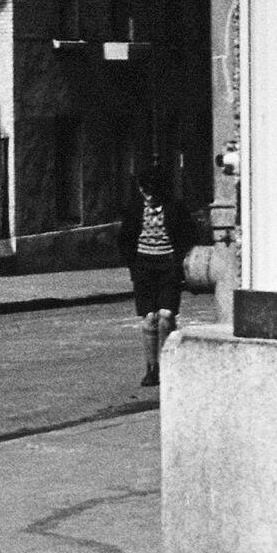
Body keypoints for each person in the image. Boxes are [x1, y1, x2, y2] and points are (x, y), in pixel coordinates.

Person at [121, 160, 197, 389]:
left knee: (165, 317)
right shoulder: (135, 208)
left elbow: (189, 234)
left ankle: (167, 365)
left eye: (152, 192)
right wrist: (132, 264)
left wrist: (181, 262)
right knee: (150, 318)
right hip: (144, 267)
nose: (149, 196)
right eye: (145, 191)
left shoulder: (174, 207)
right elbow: (125, 238)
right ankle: (151, 368)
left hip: (168, 267)